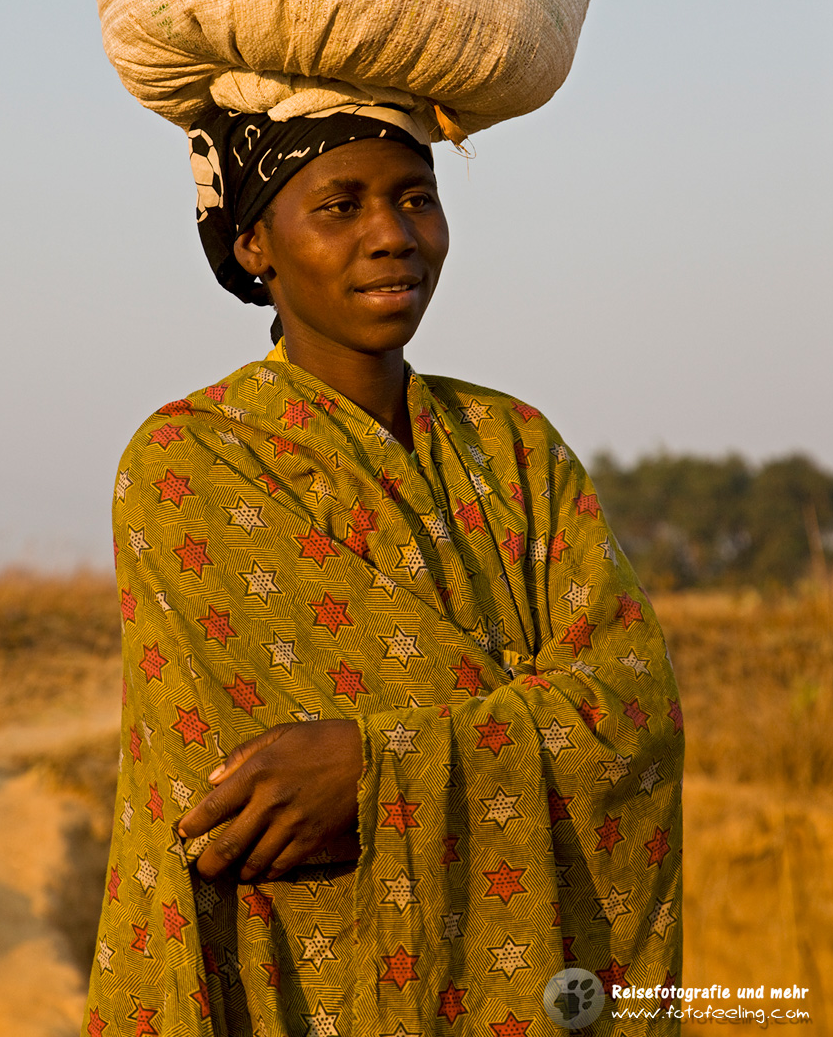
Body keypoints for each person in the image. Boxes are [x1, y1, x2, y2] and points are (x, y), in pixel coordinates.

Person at [84, 105, 683, 1037]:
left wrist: (373, 764)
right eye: (340, 206)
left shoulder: (515, 446)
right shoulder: (191, 460)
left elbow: (632, 708)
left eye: (416, 199)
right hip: (301, 983)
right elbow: (253, 788)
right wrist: (521, 704)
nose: (393, 235)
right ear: (253, 244)